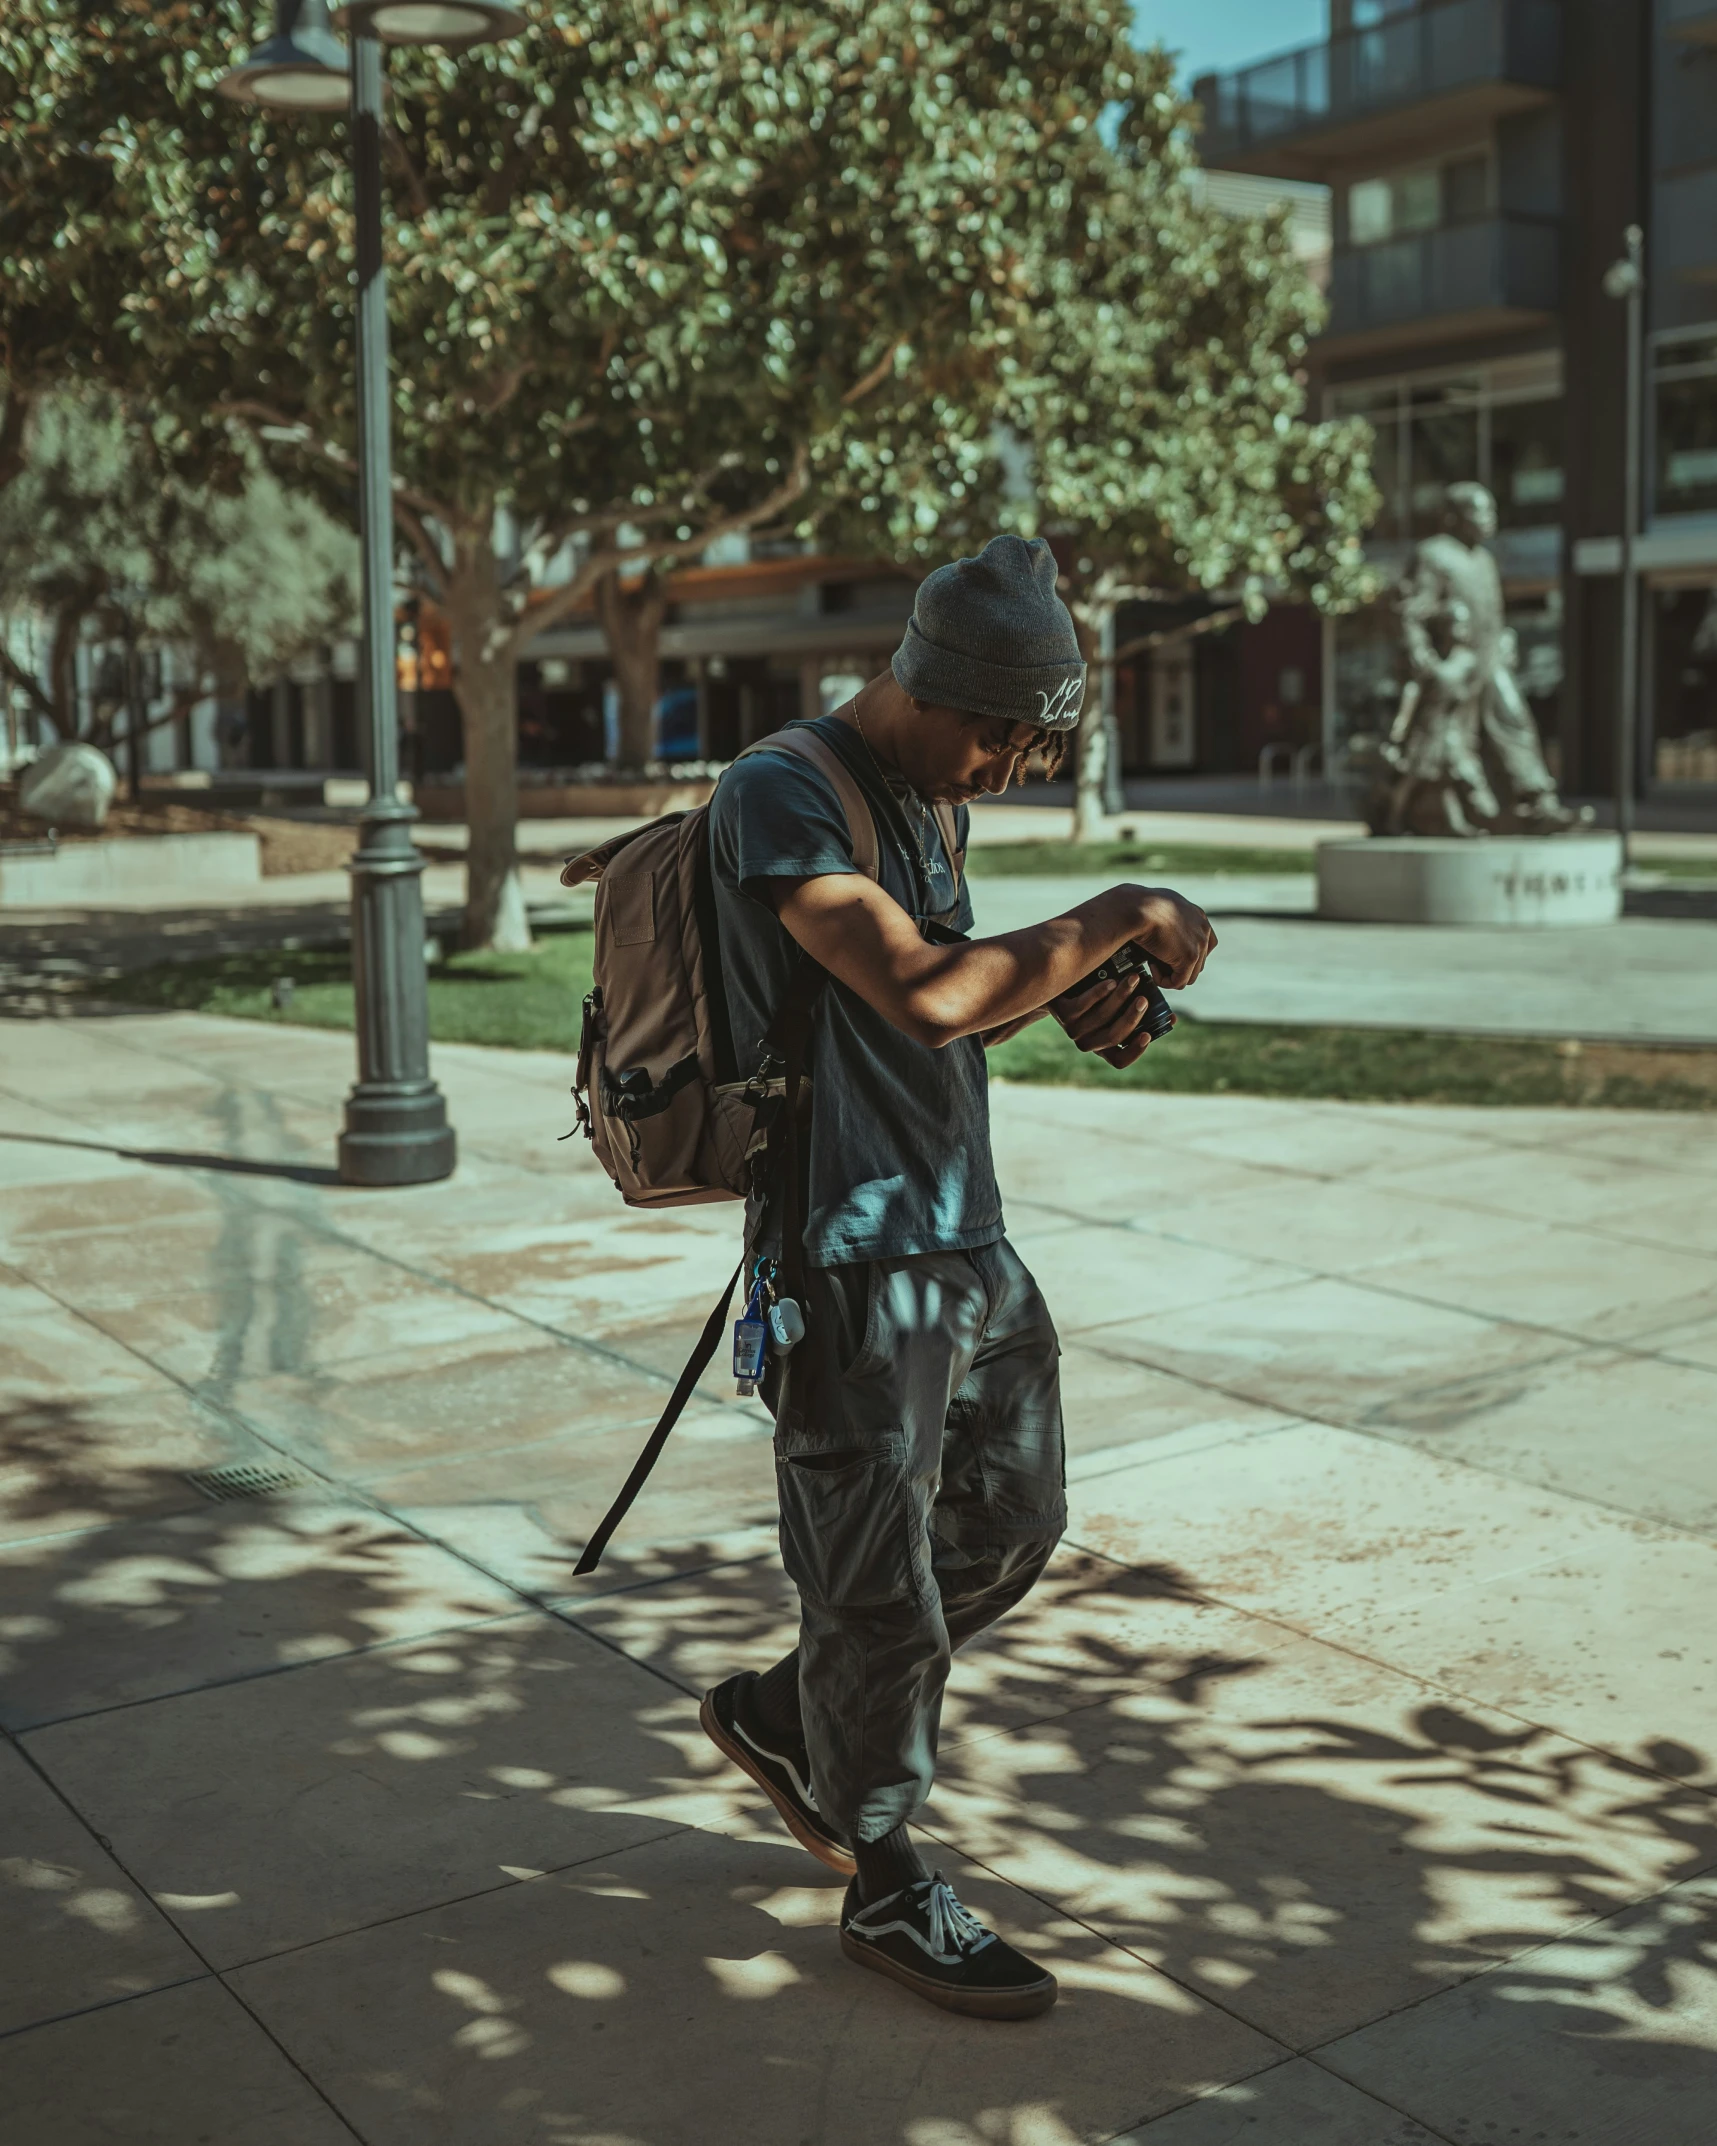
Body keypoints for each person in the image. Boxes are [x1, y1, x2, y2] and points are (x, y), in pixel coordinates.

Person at [698, 534, 1215, 2020]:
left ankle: (797, 1716)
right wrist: (1114, 911)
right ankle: (884, 1878)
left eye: (1030, 742)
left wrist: (1055, 1000)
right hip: (854, 1260)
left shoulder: (926, 800)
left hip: (961, 1236)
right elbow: (920, 991)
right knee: (881, 1594)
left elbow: (930, 1010)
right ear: (934, 680)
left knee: (1017, 1513)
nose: (1008, 763)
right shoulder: (783, 789)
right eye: (1002, 730)